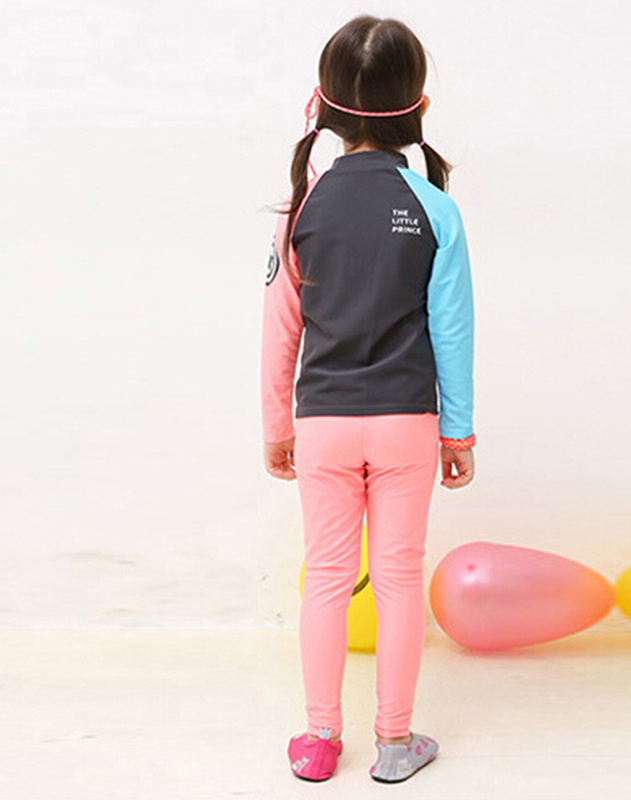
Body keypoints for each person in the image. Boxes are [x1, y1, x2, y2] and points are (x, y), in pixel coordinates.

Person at [260, 15, 475, 784]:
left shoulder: (302, 209)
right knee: (398, 578)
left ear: (322, 104)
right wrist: (458, 432)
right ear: (419, 106)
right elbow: (453, 330)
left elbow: (281, 330)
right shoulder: (435, 209)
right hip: (406, 427)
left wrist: (276, 426)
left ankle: (320, 738)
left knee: (325, 577)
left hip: (322, 426)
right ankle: (395, 741)